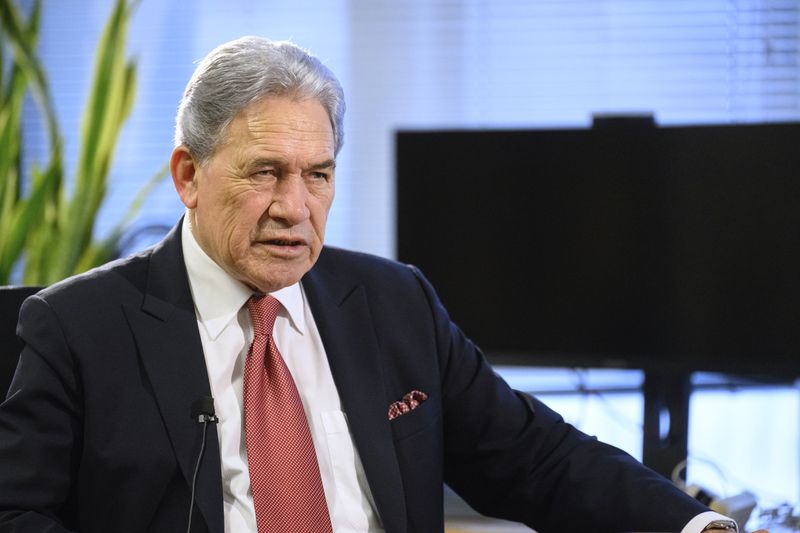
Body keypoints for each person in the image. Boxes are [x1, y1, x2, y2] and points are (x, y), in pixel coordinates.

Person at [0, 36, 753, 533]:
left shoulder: (394, 302)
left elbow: (537, 457)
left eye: (317, 175)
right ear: (188, 176)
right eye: (266, 172)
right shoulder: (79, 328)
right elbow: (18, 513)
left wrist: (697, 526)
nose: (295, 207)